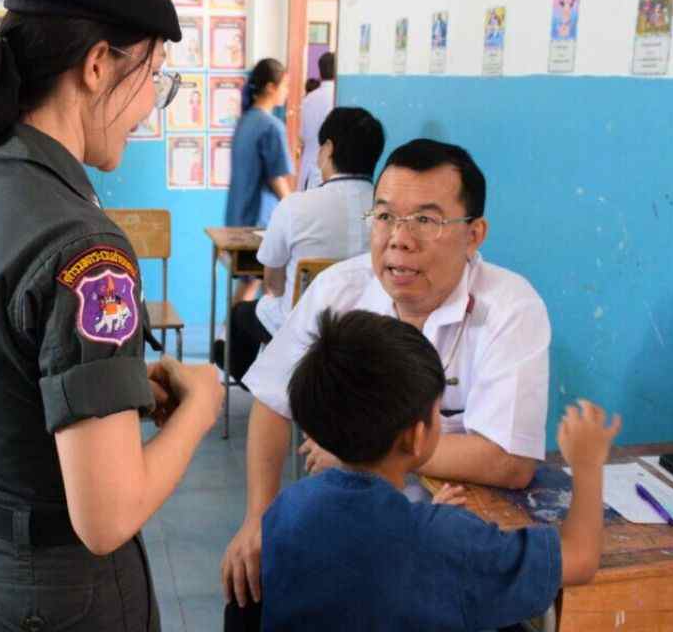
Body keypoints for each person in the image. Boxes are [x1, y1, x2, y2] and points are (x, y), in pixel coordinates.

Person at [0, 0, 223, 631]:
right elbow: (106, 519)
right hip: (47, 596)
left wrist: (104, 397)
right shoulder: (85, 248)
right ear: (100, 65)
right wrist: (200, 406)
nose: (148, 109)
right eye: (153, 77)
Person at [222, 139, 553, 607]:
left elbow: (509, 461)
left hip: (455, 537)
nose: (399, 237)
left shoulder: (510, 307)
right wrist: (257, 516)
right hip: (351, 525)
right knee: (256, 587)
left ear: (474, 234)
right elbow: (274, 400)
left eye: (426, 220)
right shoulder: (340, 289)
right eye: (384, 217)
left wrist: (355, 452)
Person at [261, 309, 618, 629]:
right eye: (439, 412)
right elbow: (580, 559)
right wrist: (588, 465)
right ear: (417, 437)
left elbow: (369, 560)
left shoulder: (287, 508)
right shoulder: (447, 541)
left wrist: (427, 521)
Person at [216, 107, 385, 380]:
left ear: (328, 149)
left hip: (304, 329)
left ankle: (269, 388)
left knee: (240, 316)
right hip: (371, 328)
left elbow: (273, 282)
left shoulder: (295, 206)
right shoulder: (387, 210)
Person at [224, 58, 292, 305]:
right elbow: (277, 178)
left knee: (250, 283)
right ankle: (236, 338)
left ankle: (227, 338)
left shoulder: (245, 122)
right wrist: (295, 208)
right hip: (260, 223)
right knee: (271, 287)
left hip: (239, 219)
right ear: (270, 88)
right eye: (284, 86)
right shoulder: (271, 126)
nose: (286, 92)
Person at [297, 52, 336, 191]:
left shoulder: (308, 99)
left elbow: (301, 135)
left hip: (308, 166)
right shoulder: (338, 96)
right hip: (329, 170)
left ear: (320, 71)